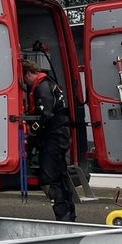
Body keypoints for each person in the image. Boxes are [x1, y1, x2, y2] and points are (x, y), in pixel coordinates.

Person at [21, 59, 76, 222]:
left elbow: (47, 115)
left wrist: (33, 129)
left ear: (28, 73)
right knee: (60, 176)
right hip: (58, 136)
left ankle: (62, 216)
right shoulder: (49, 83)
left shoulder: (42, 87)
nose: (25, 84)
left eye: (24, 79)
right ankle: (68, 215)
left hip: (53, 136)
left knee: (48, 178)